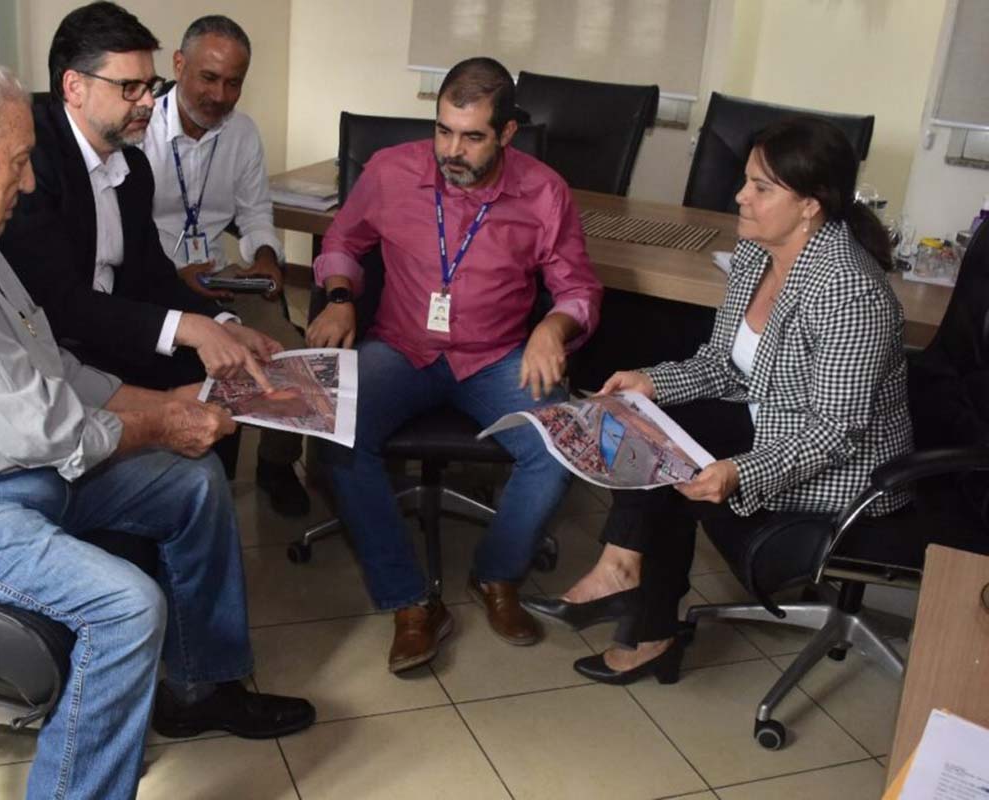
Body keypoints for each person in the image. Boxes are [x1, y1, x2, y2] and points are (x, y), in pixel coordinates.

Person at [0, 61, 313, 800]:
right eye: (17, 163)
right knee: (125, 607)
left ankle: (203, 691)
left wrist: (168, 395)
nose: (30, 183)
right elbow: (55, 434)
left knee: (192, 487)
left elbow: (51, 368)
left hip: (0, 475)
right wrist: (163, 422)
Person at [523, 116, 913, 685]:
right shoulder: (757, 256)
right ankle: (632, 594)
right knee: (652, 423)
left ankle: (639, 611)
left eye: (761, 187)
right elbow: (722, 366)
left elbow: (835, 430)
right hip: (771, 421)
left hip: (843, 469)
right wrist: (649, 381)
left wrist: (737, 471)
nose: (740, 196)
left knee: (678, 459)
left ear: (810, 205)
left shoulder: (850, 292)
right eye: (745, 181)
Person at [306, 57, 603, 673]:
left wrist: (554, 326)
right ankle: (411, 602)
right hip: (400, 348)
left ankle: (497, 575)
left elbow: (578, 289)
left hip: (495, 357)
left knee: (559, 443)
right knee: (335, 432)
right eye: (443, 130)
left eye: (472, 137)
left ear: (507, 134)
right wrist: (339, 297)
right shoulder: (391, 172)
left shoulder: (544, 192)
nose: (452, 150)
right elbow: (342, 241)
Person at [0, 2, 278, 444]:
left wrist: (223, 323)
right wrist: (188, 328)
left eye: (150, 86)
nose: (148, 102)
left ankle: (202, 493)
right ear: (74, 86)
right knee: (198, 366)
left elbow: (151, 273)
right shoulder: (33, 161)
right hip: (51, 349)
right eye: (130, 87)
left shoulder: (131, 163)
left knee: (225, 375)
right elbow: (58, 302)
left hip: (112, 327)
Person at [141, 14, 310, 517]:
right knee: (206, 360)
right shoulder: (141, 129)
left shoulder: (242, 133)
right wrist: (173, 277)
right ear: (178, 65)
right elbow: (123, 234)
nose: (220, 94)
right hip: (155, 280)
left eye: (233, 82)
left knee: (292, 354)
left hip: (222, 276)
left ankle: (277, 465)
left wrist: (264, 257)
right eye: (208, 78)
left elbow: (255, 211)